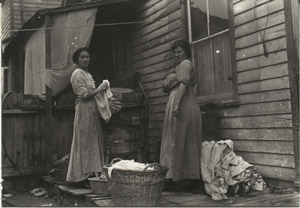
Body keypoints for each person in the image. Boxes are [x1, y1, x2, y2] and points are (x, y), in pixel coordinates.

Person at [160, 40, 202, 188]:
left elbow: (184, 85)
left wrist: (177, 105)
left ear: (186, 52)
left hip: (183, 103)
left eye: (180, 51)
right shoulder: (178, 67)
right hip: (178, 101)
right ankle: (175, 176)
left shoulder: (185, 64)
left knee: (182, 139)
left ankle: (183, 178)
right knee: (177, 139)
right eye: (175, 52)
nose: (177, 54)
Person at [66, 47, 109, 182]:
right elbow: (84, 95)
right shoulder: (77, 74)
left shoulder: (86, 74)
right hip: (84, 109)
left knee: (92, 140)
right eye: (82, 57)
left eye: (87, 57)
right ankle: (82, 176)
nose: (85, 59)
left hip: (91, 109)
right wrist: (99, 89)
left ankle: (93, 174)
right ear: (77, 60)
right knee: (85, 141)